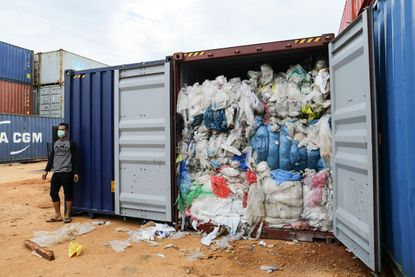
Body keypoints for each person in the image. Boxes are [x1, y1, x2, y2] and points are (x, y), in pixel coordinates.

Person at [42, 122, 80, 223]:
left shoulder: (71, 143)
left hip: (67, 172)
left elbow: (76, 159)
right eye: (59, 130)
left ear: (66, 131)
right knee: (53, 193)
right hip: (56, 173)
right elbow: (51, 157)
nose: (60, 131)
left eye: (62, 130)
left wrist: (76, 172)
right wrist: (46, 170)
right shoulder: (55, 143)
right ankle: (57, 215)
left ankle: (67, 215)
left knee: (68, 194)